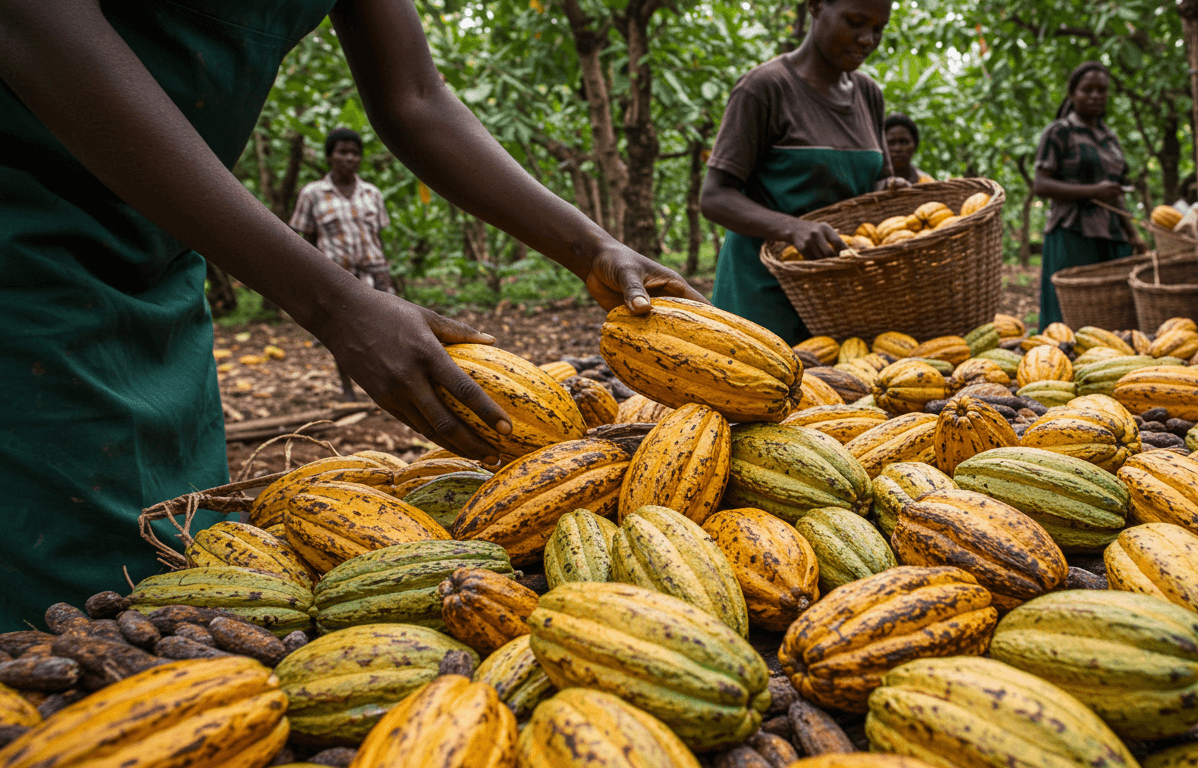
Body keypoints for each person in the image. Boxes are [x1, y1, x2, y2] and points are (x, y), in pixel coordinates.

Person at [0, 0, 702, 631]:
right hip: (21, 244)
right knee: (63, 609)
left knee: (191, 572)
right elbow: (32, 23)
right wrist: (334, 303)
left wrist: (591, 247)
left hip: (162, 250)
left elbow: (416, 97)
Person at [701, 0, 906, 346]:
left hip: (837, 294)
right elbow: (715, 197)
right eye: (855, 22)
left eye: (878, 29)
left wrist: (891, 188)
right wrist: (792, 228)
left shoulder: (868, 94)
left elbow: (876, 182)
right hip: (764, 293)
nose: (867, 39)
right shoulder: (764, 88)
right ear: (815, 6)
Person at [1032, 60, 1147, 329]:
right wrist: (1092, 191)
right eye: (1087, 90)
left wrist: (1133, 234)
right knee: (1067, 317)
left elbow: (1114, 191)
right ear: (1072, 94)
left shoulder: (1110, 138)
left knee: (1114, 317)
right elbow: (1041, 184)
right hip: (1073, 231)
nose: (1095, 96)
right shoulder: (1060, 132)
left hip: (1112, 232)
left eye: (1102, 90)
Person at [291, 128, 396, 401]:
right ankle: (347, 389)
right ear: (330, 156)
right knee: (343, 333)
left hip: (374, 271)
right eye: (342, 152)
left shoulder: (371, 193)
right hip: (337, 275)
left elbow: (378, 237)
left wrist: (386, 277)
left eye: (354, 153)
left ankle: (386, 387)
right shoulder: (313, 194)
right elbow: (308, 240)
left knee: (385, 330)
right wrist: (313, 281)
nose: (349, 158)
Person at [883, 113, 936, 185]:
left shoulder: (928, 184)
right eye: (891, 143)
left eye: (903, 142)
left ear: (915, 145)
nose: (897, 148)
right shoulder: (872, 184)